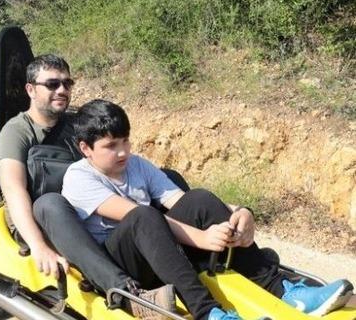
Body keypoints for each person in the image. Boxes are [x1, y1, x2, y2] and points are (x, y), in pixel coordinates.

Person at [63, 99, 354, 320]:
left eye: (126, 141)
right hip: (123, 267)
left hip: (159, 251)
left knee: (199, 198)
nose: (123, 151)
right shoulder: (79, 177)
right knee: (142, 214)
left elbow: (180, 201)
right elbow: (136, 216)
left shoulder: (136, 164)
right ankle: (209, 313)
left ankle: (284, 290)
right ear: (85, 148)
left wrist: (240, 212)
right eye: (111, 145)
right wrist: (202, 239)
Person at [0, 54, 175, 318]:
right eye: (53, 84)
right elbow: (14, 189)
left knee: (168, 177)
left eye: (67, 84)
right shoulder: (18, 132)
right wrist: (37, 245)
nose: (62, 90)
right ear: (31, 89)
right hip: (43, 219)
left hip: (86, 211)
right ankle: (127, 295)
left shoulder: (75, 125)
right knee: (50, 203)